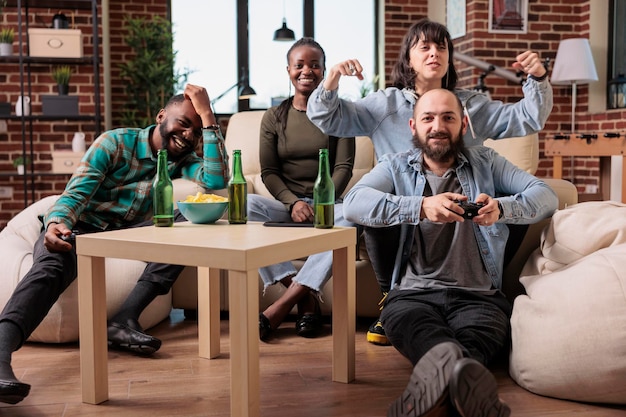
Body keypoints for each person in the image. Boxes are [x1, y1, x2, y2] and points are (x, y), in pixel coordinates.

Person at [307, 18, 553, 346]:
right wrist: (333, 77)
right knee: (356, 211)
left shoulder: (475, 111)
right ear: (413, 125)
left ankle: (478, 293)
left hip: (467, 225)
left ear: (463, 123)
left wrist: (537, 77)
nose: (434, 52)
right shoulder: (385, 107)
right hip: (402, 218)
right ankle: (391, 297)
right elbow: (325, 117)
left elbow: (529, 118)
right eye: (424, 46)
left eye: (441, 46)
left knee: (508, 200)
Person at [0, 84, 229, 405]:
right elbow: (76, 193)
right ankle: (1, 353)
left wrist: (208, 116)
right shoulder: (116, 142)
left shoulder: (183, 159)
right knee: (55, 260)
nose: (189, 136)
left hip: (126, 234)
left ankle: (125, 319)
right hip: (79, 226)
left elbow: (217, 180)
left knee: (189, 221)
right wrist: (56, 225)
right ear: (162, 116)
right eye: (183, 123)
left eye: (196, 129)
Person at [342, 88, 558, 417]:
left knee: (473, 340)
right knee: (427, 336)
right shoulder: (395, 167)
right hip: (413, 297)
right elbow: (354, 204)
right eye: (428, 118)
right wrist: (421, 206)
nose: (437, 125)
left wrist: (502, 208)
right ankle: (465, 394)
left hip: (481, 298)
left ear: (464, 125)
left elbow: (546, 196)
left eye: (448, 117)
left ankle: (432, 397)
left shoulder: (487, 162)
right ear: (413, 126)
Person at [248, 37, 356, 341]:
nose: (306, 70)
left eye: (314, 64)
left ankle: (282, 305)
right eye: (299, 65)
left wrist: (322, 204)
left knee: (355, 214)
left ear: (323, 70)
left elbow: (344, 167)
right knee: (244, 208)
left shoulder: (341, 114)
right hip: (287, 207)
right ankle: (305, 298)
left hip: (330, 205)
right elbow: (269, 172)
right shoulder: (274, 117)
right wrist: (293, 203)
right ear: (289, 71)